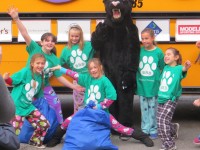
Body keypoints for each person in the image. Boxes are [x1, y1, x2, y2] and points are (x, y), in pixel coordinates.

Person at [46, 58, 154, 147]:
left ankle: (143, 137)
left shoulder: (105, 81)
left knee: (120, 127)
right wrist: (61, 69)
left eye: (95, 67)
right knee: (67, 121)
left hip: (102, 113)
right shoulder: (87, 78)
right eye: (90, 68)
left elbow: (112, 96)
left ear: (100, 67)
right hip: (87, 111)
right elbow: (75, 75)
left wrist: (100, 106)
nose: (93, 70)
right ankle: (56, 138)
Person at [8, 6, 84, 124]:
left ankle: (60, 127)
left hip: (44, 87)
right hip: (28, 84)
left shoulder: (54, 59)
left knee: (56, 104)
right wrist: (16, 19)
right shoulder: (34, 48)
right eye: (47, 40)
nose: (50, 43)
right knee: (24, 107)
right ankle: (19, 130)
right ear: (41, 42)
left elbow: (59, 77)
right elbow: (24, 33)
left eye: (52, 41)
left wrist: (74, 87)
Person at [3, 54, 50, 149]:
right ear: (32, 64)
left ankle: (35, 141)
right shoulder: (25, 72)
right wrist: (7, 78)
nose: (40, 65)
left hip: (28, 107)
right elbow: (13, 81)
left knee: (44, 124)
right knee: (15, 131)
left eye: (42, 63)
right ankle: (9, 146)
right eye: (38, 63)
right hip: (17, 107)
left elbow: (37, 93)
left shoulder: (41, 76)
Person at [157, 47, 191, 150]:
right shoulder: (166, 68)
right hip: (161, 97)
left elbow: (183, 69)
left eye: (169, 54)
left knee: (161, 120)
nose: (166, 56)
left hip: (170, 99)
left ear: (176, 57)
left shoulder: (178, 68)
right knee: (161, 120)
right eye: (165, 54)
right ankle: (173, 128)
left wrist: (186, 66)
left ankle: (169, 144)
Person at [136, 28, 165, 139]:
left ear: (152, 38)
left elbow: (162, 67)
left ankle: (153, 129)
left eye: (147, 38)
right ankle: (145, 129)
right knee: (144, 109)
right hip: (142, 85)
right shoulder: (140, 51)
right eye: (142, 38)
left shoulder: (158, 52)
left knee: (153, 109)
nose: (144, 41)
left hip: (154, 86)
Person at [60, 23, 94, 113]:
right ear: (69, 36)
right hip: (77, 79)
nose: (74, 38)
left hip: (90, 78)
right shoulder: (66, 50)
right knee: (78, 103)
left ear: (80, 36)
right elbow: (60, 64)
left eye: (77, 36)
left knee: (92, 100)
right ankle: (78, 119)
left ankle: (90, 120)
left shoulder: (88, 46)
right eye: (72, 36)